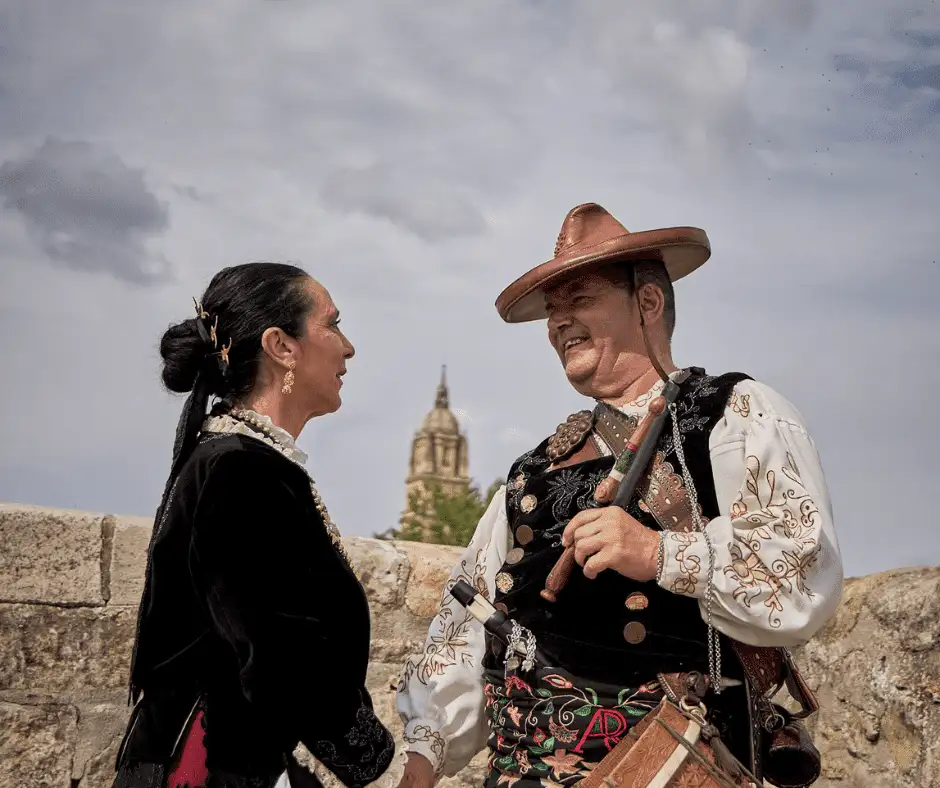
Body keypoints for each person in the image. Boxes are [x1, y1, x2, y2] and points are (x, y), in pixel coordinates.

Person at [395, 204, 843, 787]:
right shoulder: (535, 468)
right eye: (553, 312)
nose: (559, 323)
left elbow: (802, 570)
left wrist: (659, 554)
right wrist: (421, 762)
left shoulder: (734, 414)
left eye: (579, 300)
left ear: (648, 303)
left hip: (670, 762)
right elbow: (466, 620)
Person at [113, 263, 406, 788]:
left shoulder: (236, 460)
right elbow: (283, 657)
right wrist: (379, 765)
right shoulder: (240, 469)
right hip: (221, 768)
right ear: (281, 346)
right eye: (332, 325)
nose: (348, 347)